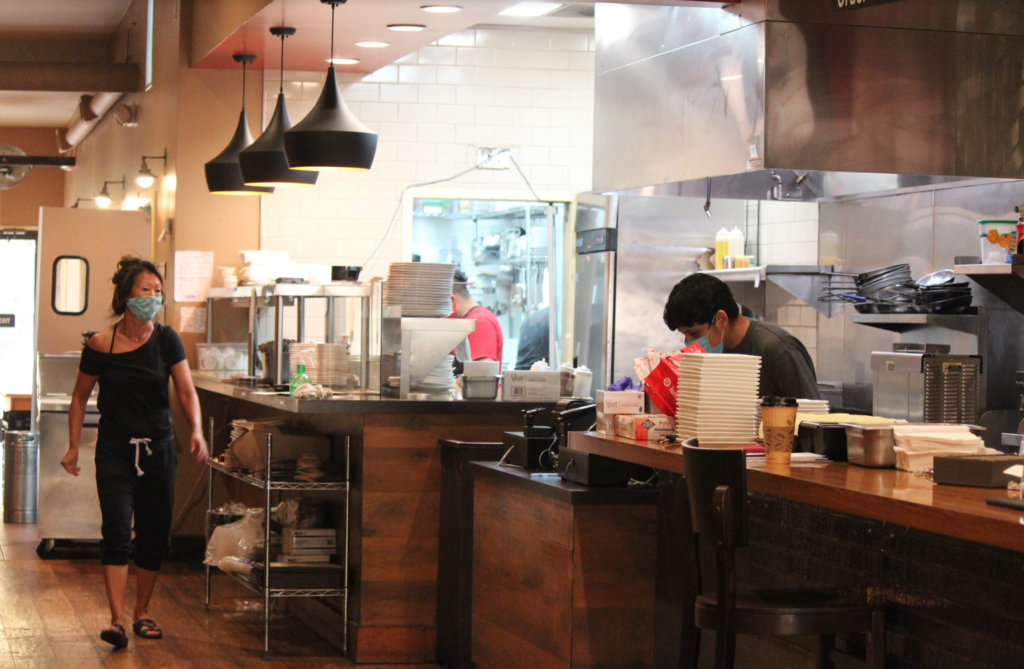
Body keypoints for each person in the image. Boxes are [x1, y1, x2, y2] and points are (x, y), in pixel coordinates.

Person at [61, 256, 208, 649]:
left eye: (159, 291)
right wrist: (74, 445)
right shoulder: (100, 343)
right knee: (115, 531)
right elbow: (79, 398)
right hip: (114, 452)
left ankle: (142, 612)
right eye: (147, 290)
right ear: (127, 295)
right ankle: (117, 620)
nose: (154, 297)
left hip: (159, 451)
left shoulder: (167, 340)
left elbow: (186, 390)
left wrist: (196, 430)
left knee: (154, 535)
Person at [663, 273, 821, 400]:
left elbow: (813, 420)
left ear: (720, 319)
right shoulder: (712, 355)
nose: (689, 343)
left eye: (694, 333)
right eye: (684, 336)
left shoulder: (777, 349)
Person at [450, 269, 503, 367]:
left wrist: (453, 383)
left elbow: (483, 372)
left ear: (451, 300)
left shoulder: (480, 322)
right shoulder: (466, 321)